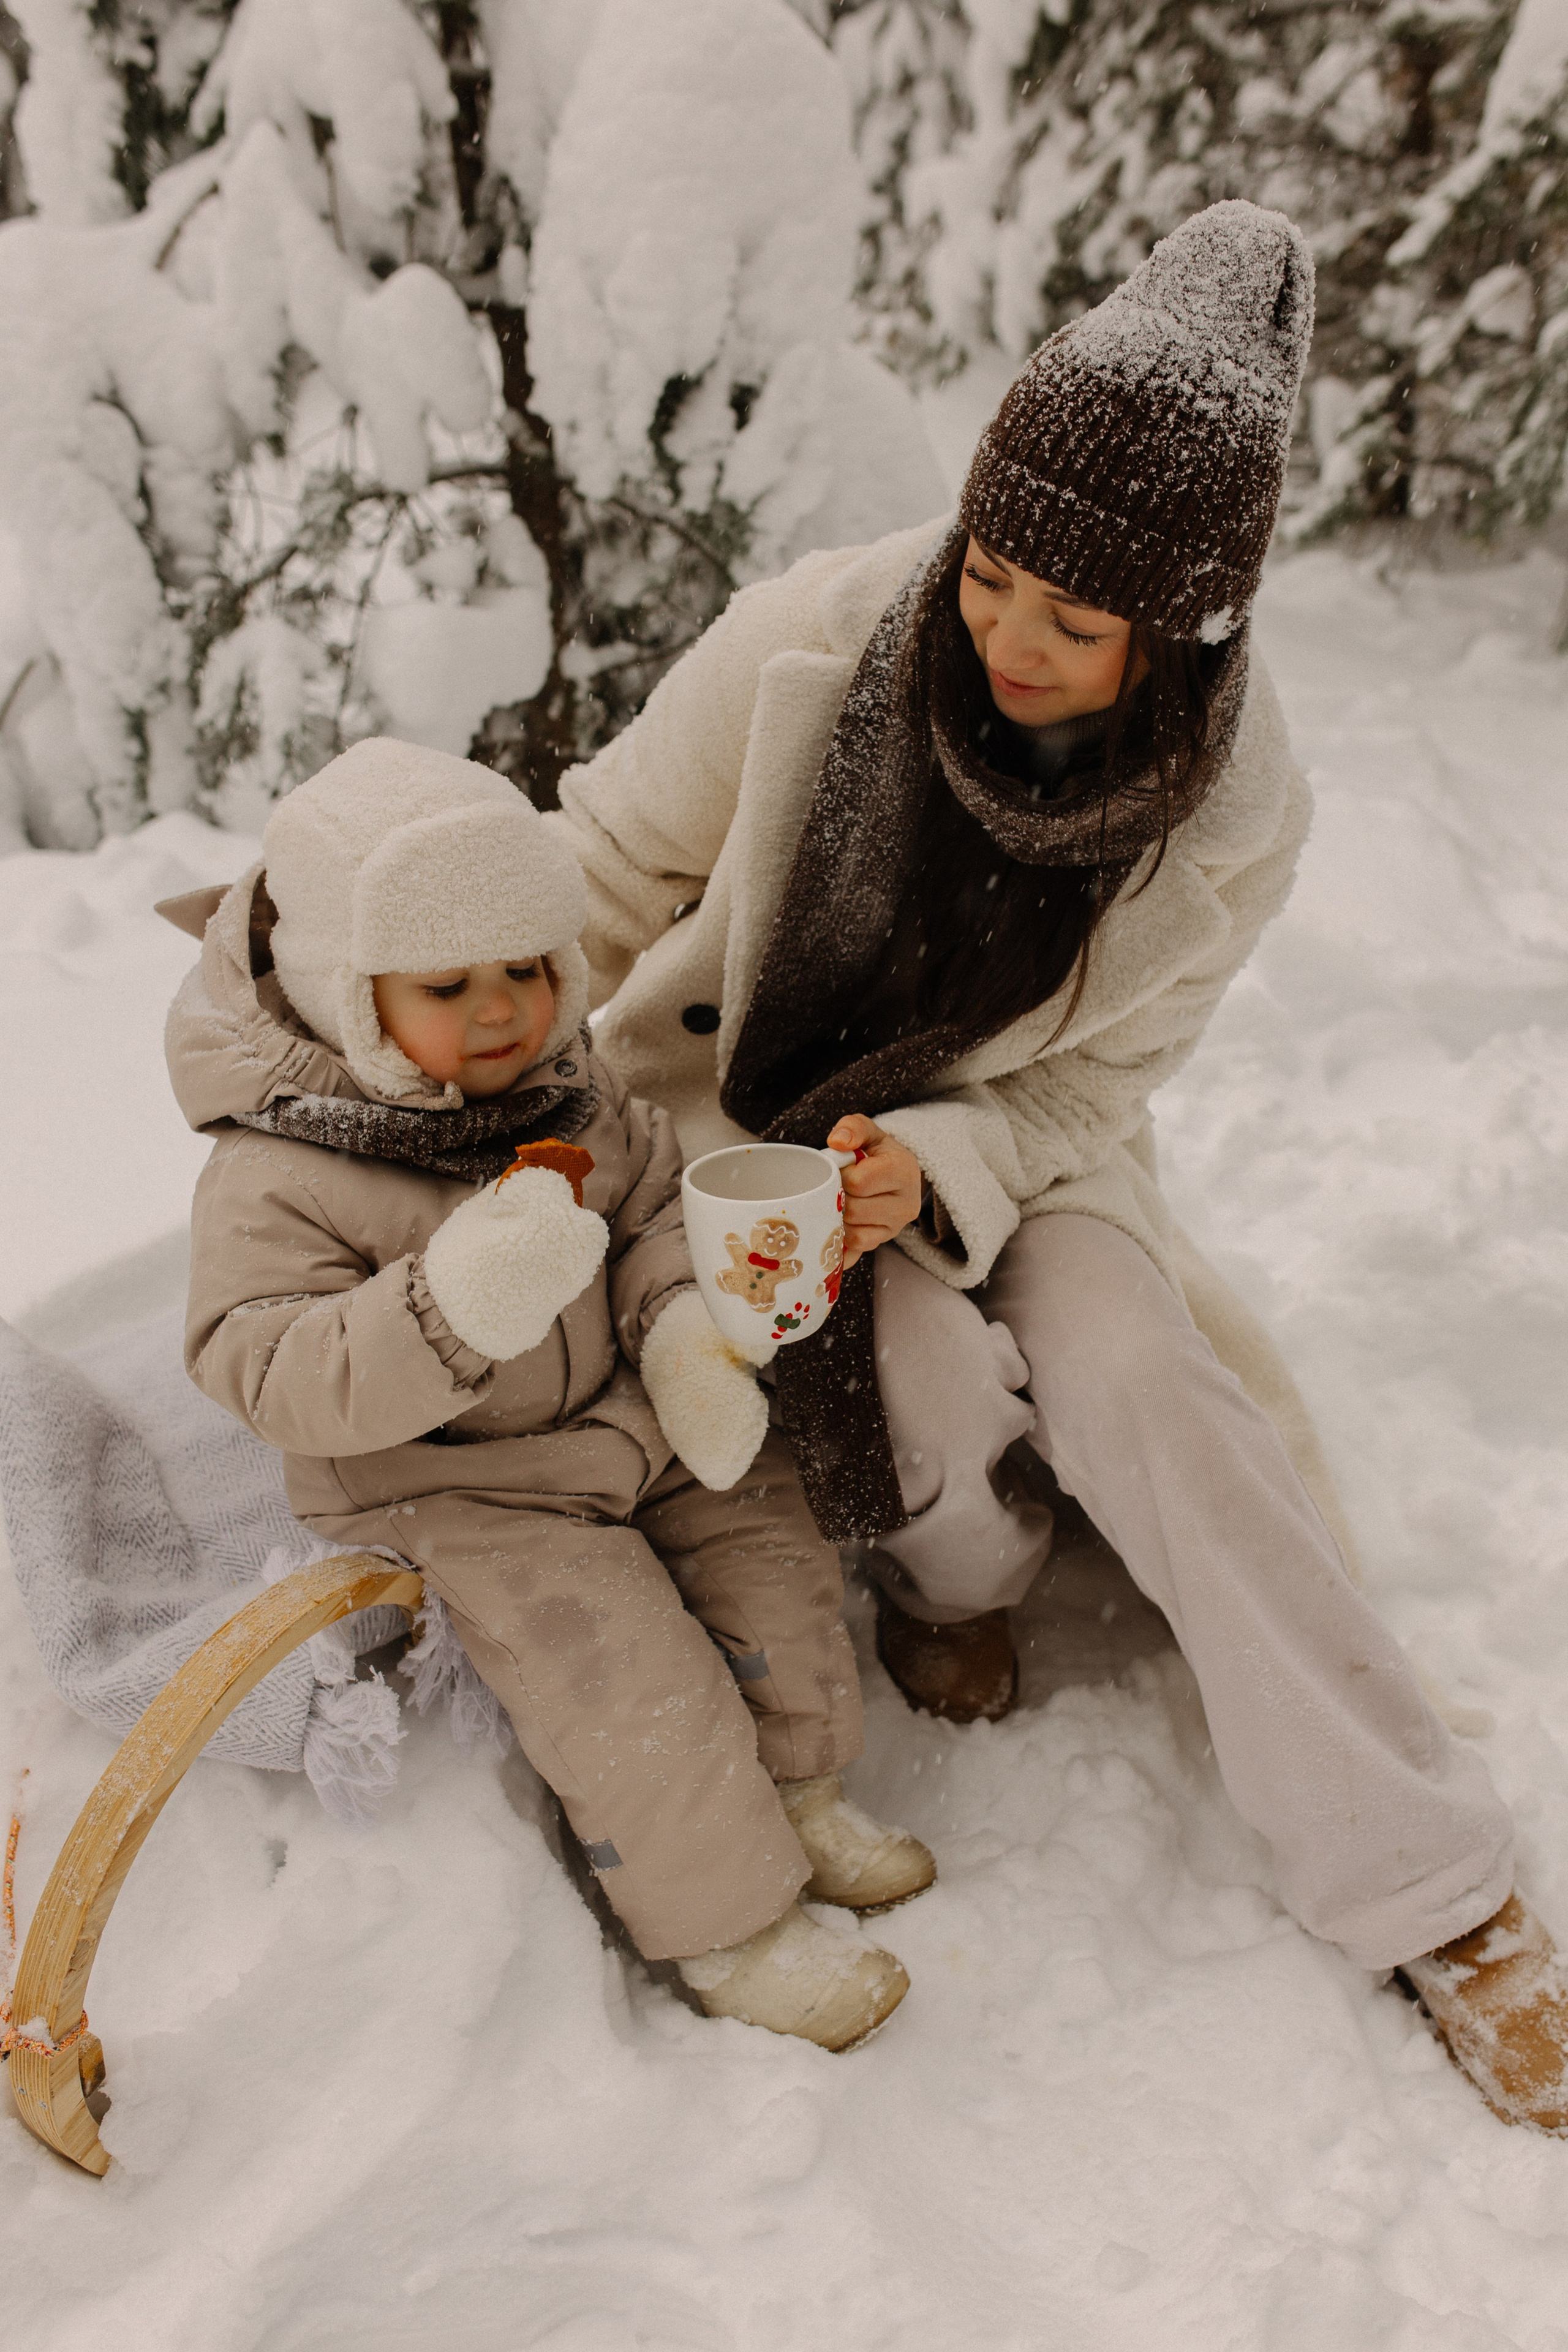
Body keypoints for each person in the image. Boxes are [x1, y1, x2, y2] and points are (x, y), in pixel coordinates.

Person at [545, 201, 1568, 2130]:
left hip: (1018, 1144)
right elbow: (599, 868)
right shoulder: (822, 634)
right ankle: (969, 1580)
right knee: (919, 1390)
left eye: (1075, 623)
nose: (1009, 638)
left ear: (1183, 632)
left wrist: (933, 1170)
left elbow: (1101, 1082)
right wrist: (460, 1066)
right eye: (993, 573)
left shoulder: (1238, 812)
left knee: (1147, 1381)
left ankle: (1440, 1891)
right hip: (748, 1136)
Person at [162, 737, 935, 2052]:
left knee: (763, 1516)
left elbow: (646, 1210)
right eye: (447, 985)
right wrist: (447, 1305)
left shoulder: (571, 1087)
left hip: (612, 1420)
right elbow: (266, 1365)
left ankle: (801, 1790)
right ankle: (733, 1926)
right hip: (450, 1477)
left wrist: (675, 1327)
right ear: (346, 994)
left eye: (526, 968)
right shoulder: (277, 1169)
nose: (504, 1011)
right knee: (610, 1656)